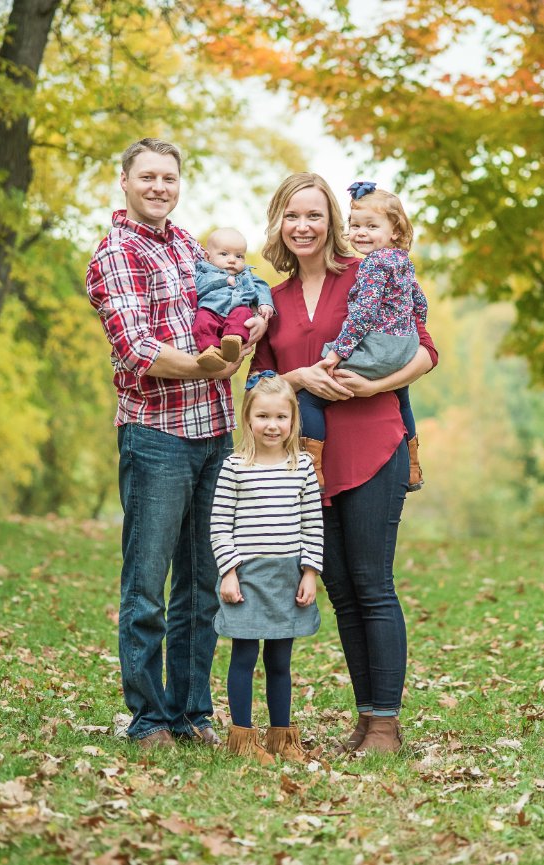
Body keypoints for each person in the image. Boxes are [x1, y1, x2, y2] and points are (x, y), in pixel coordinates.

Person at [85, 138, 268, 751]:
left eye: (168, 177)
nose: (159, 187)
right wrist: (206, 367)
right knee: (146, 584)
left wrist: (254, 321)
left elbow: (234, 298)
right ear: (125, 181)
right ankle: (148, 718)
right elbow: (134, 348)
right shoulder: (116, 252)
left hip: (214, 435)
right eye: (147, 177)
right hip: (157, 437)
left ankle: (192, 713)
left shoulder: (191, 245)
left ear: (179, 184)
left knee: (202, 582)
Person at [252, 172, 438, 754]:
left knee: (372, 584)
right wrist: (294, 378)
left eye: (314, 215)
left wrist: (368, 386)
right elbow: (257, 379)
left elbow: (426, 350)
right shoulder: (269, 299)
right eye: (291, 215)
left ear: (333, 222)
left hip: (373, 444)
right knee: (339, 588)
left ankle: (386, 724)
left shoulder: (369, 271)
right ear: (279, 223)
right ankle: (366, 716)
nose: (303, 226)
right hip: (307, 465)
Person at [210, 373, 323, 765]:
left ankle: (282, 738)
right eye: (262, 416)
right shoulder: (235, 467)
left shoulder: (302, 467)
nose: (271, 425)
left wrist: (310, 571)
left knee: (279, 661)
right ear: (248, 418)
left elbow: (312, 525)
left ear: (293, 420)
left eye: (280, 417)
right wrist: (228, 571)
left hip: (286, 578)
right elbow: (220, 524)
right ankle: (242, 738)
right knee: (243, 655)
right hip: (247, 577)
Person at [297, 180, 428, 493]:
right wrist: (412, 328)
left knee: (308, 397)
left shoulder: (372, 265)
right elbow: (418, 300)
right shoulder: (402, 260)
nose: (361, 233)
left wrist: (336, 354)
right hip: (405, 342)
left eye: (371, 226)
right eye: (355, 225)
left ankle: (312, 470)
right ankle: (413, 467)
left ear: (394, 230)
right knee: (402, 393)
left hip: (381, 345)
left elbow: (362, 316)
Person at [193, 227, 275, 372]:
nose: (232, 260)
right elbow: (199, 288)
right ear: (208, 257)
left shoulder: (245, 274)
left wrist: (265, 303)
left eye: (239, 256)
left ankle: (232, 341)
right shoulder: (203, 271)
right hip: (211, 309)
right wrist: (223, 280)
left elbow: (261, 286)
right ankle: (210, 351)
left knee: (243, 313)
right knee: (202, 320)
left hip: (236, 309)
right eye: (224, 254)